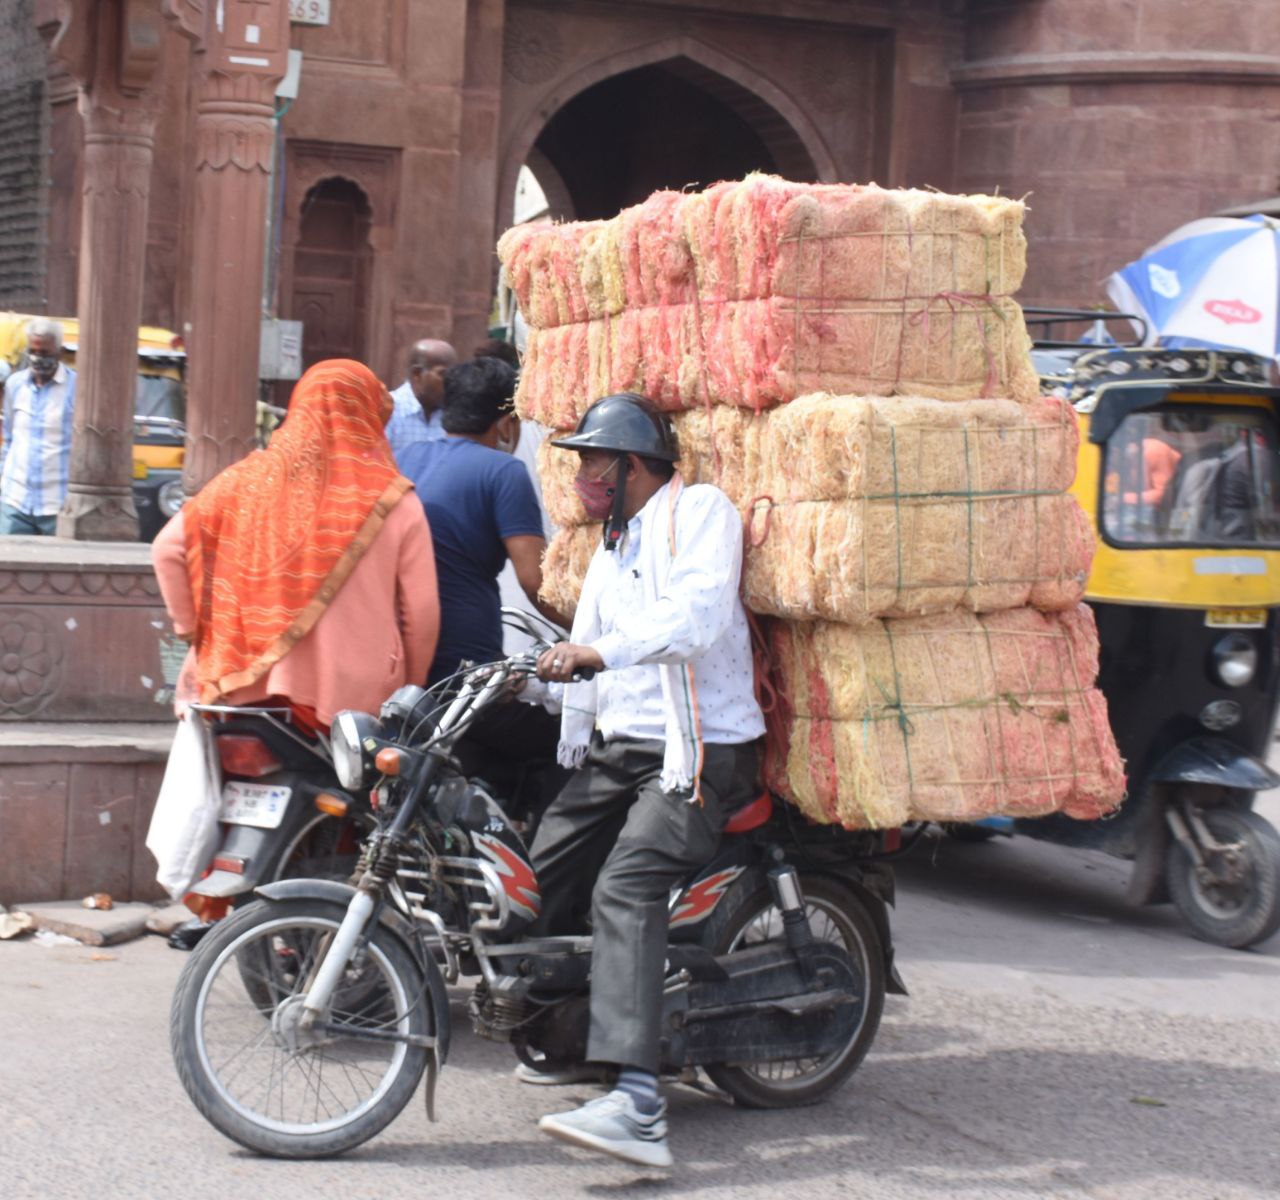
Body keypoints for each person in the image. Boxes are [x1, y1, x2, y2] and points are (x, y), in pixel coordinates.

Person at [526, 393, 765, 1169]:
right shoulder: (613, 543)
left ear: (633, 464)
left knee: (625, 886)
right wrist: (530, 679)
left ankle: (637, 1104)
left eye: (593, 462)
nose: (583, 477)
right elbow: (589, 650)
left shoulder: (700, 512)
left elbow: (693, 618)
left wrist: (596, 654)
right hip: (623, 747)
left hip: (697, 750)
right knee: (539, 874)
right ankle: (566, 1035)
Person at [151, 359, 441, 941]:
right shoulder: (391, 499)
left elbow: (166, 550)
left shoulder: (242, 482)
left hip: (236, 690)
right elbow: (422, 614)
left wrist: (198, 633)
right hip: (348, 703)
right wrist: (409, 688)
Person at [398, 356, 567, 824]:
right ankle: (547, 868)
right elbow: (534, 583)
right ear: (507, 422)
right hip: (464, 679)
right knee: (570, 743)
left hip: (410, 671)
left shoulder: (407, 458)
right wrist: (589, 637)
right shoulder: (501, 472)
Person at [1, 317, 76, 535]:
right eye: (33, 352)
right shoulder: (15, 385)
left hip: (57, 504)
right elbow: (10, 438)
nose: (38, 359)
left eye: (45, 354)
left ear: (59, 352)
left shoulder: (76, 388)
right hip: (15, 501)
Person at [385, 338, 457, 463]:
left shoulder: (455, 413)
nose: (452, 382)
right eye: (443, 374)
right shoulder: (389, 409)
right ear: (417, 373)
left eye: (454, 375)